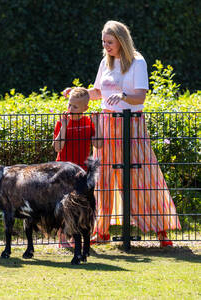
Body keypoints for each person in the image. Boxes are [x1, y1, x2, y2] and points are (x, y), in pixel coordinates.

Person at [64, 20, 180, 247]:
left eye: (110, 42)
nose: (106, 46)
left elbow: (140, 97)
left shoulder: (137, 62)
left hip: (132, 125)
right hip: (106, 126)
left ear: (121, 40)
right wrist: (78, 93)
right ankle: (101, 230)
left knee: (142, 176)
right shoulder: (105, 62)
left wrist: (124, 96)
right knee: (102, 178)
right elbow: (97, 92)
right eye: (103, 42)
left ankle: (161, 232)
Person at [53, 87, 103, 247]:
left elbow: (99, 144)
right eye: (69, 105)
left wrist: (97, 124)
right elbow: (57, 147)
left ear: (85, 109)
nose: (70, 109)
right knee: (63, 205)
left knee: (81, 206)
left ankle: (76, 238)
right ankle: (62, 239)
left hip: (82, 173)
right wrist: (64, 127)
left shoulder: (88, 122)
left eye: (75, 107)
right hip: (63, 172)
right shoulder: (62, 121)